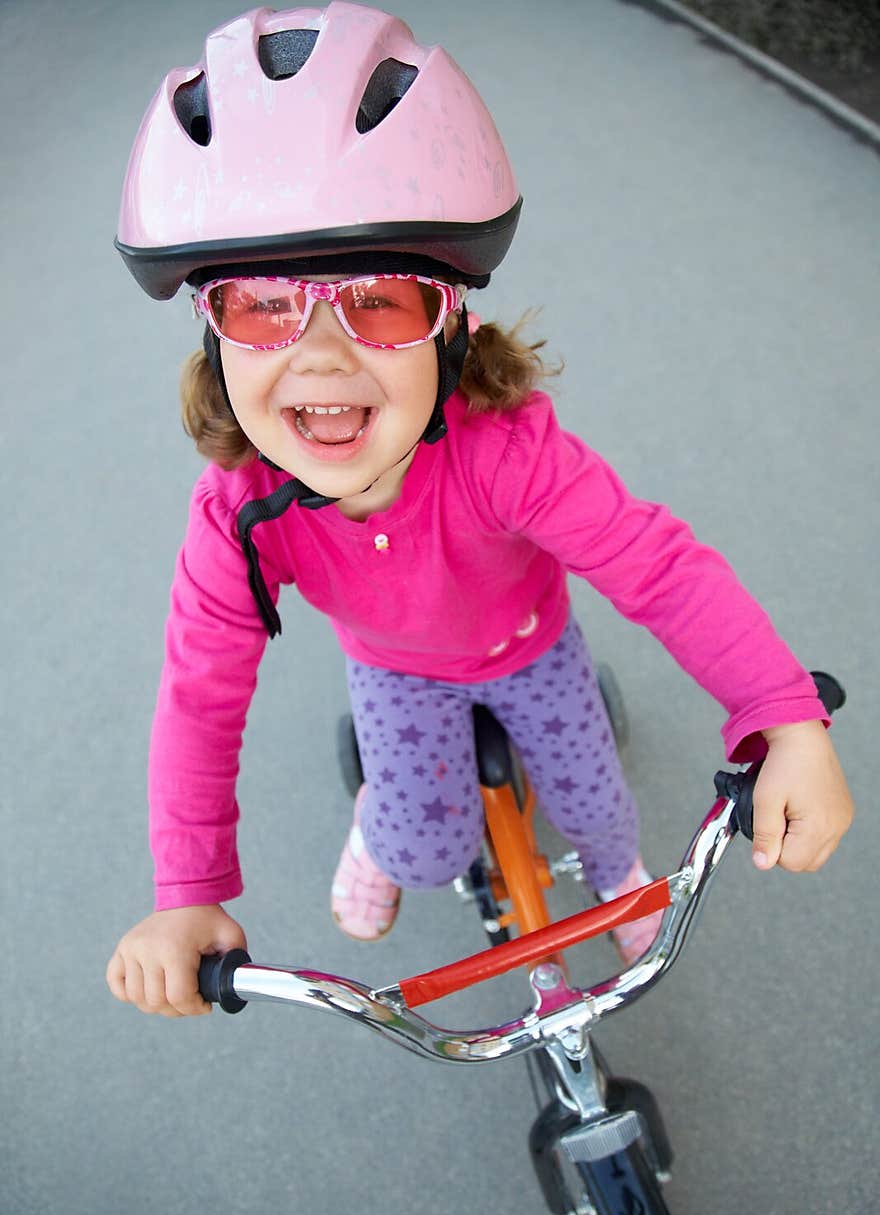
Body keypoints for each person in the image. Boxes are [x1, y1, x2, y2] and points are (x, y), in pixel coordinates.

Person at [106, 2, 852, 1018]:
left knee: (599, 810)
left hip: (532, 648)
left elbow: (660, 568)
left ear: (452, 329)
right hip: (395, 672)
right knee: (423, 846)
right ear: (213, 338)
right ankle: (380, 818)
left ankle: (612, 860)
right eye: (261, 303)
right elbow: (200, 692)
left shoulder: (507, 453)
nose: (321, 353)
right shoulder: (237, 514)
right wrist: (186, 891)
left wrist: (782, 714)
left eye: (379, 298)